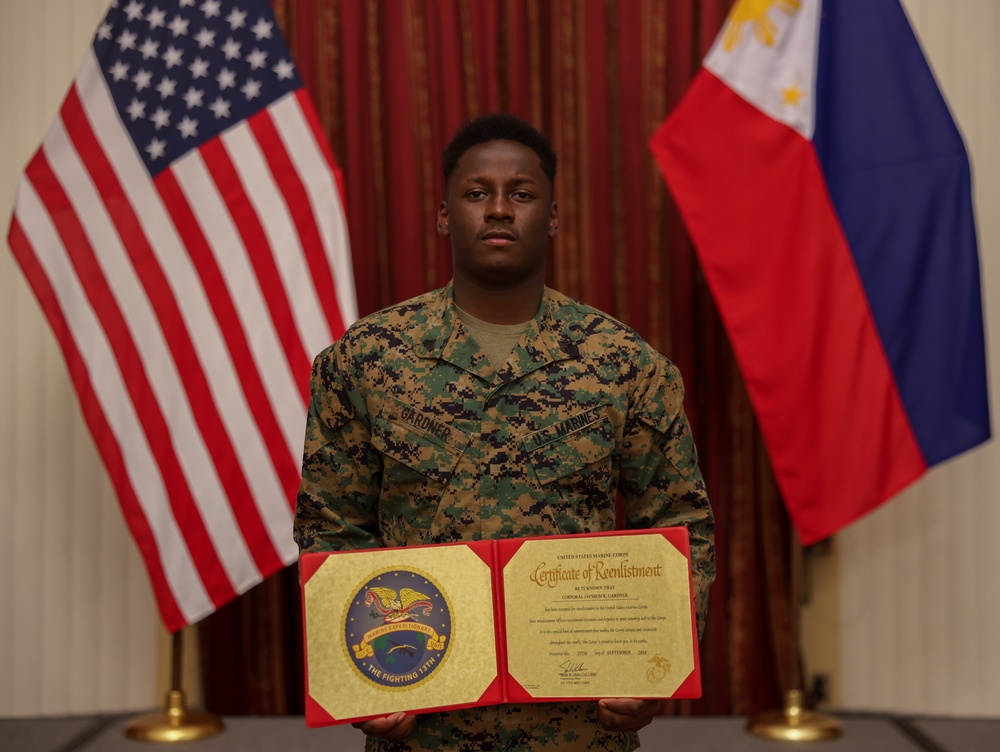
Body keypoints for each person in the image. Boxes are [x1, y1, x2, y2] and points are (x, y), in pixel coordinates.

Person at [294, 113, 715, 751]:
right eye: (475, 193)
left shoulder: (622, 365)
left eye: (520, 194)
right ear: (443, 215)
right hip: (422, 723)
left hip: (579, 730)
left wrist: (659, 666)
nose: (497, 209)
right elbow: (331, 529)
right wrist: (355, 678)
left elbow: (680, 522)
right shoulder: (367, 359)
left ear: (551, 216)